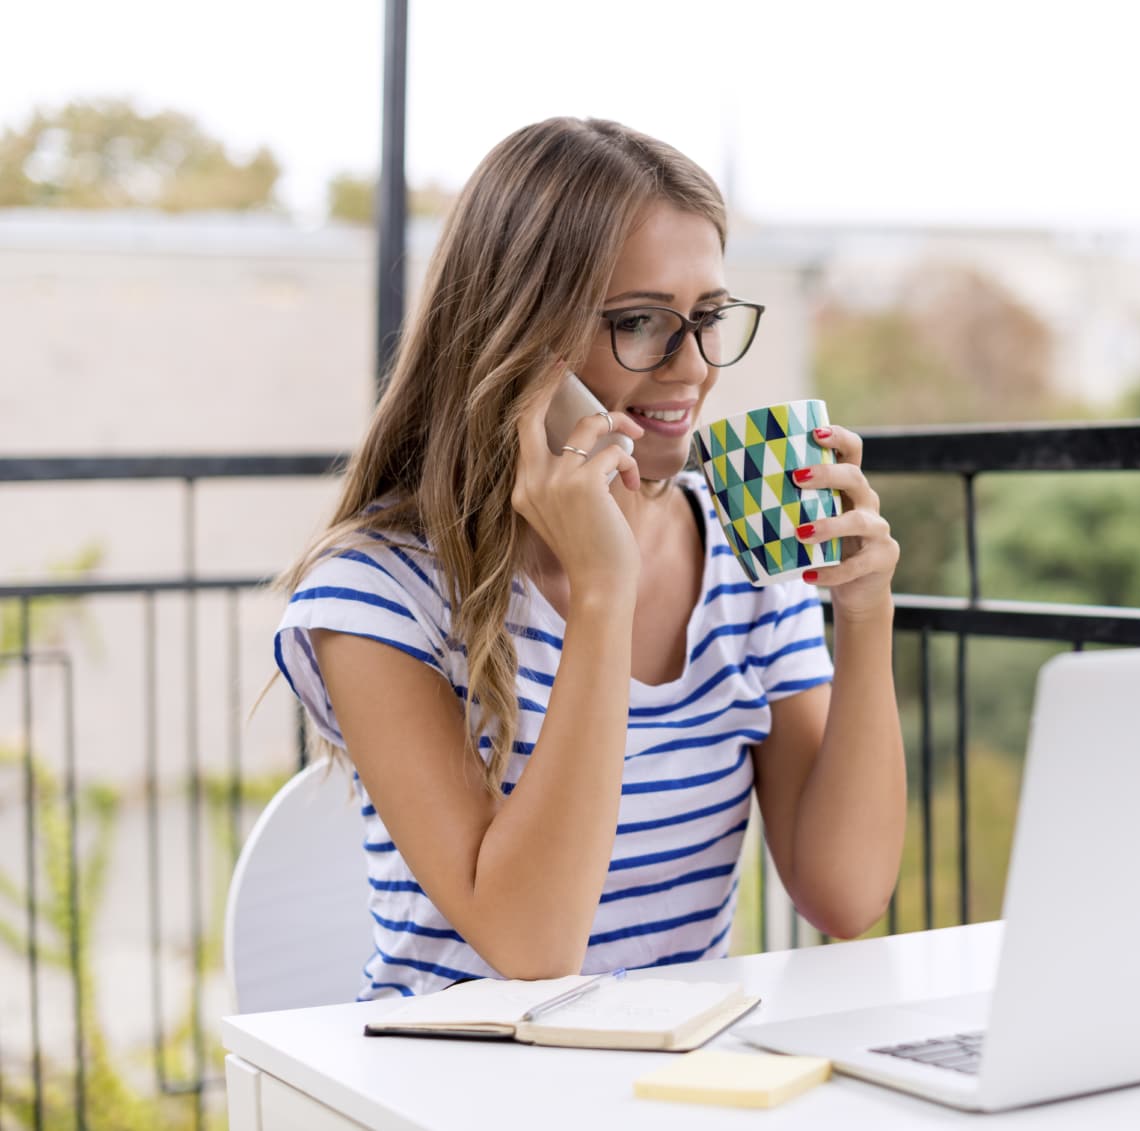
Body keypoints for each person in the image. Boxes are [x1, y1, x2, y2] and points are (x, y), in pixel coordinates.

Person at [272, 118, 906, 1001]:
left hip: (675, 1079)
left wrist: (865, 614)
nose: (691, 367)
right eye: (640, 322)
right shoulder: (374, 594)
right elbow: (531, 944)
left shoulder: (741, 557)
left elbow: (845, 893)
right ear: (517, 337)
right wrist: (605, 590)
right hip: (457, 1086)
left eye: (709, 318)